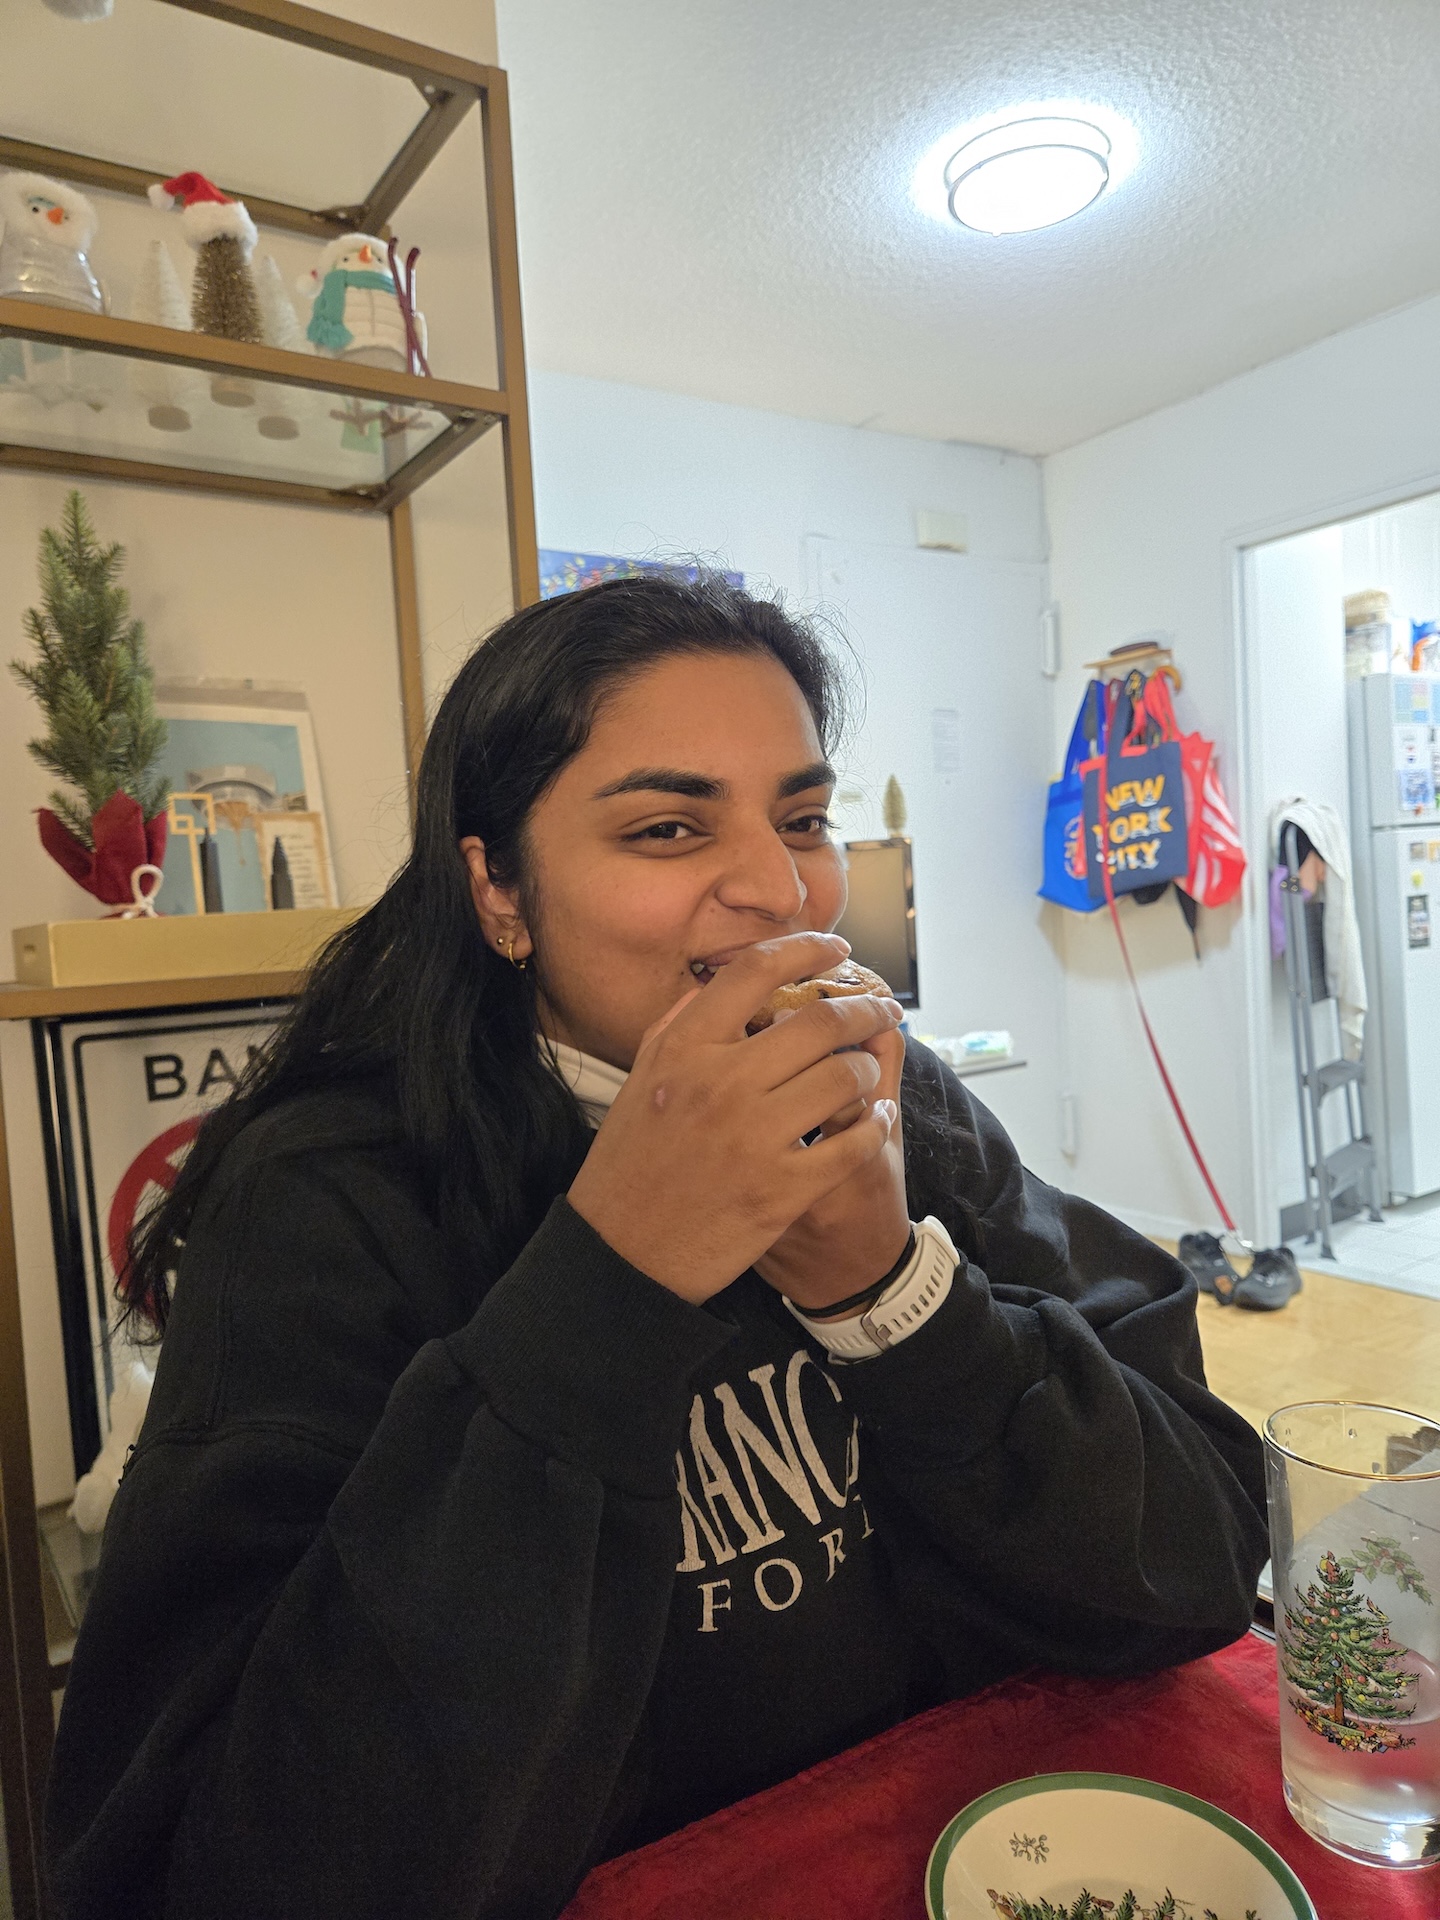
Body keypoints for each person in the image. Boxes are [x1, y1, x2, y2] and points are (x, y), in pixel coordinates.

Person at [45, 575, 1268, 1920]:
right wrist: (611, 1277)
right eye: (671, 826)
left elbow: (1200, 1565)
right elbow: (214, 1869)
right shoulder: (329, 1200)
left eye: (803, 817)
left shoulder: (895, 1097)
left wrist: (894, 1299)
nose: (778, 887)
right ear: (501, 891)